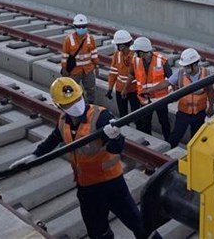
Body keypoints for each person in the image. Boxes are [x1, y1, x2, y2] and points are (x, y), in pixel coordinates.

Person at [9, 78, 158, 239]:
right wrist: (35, 156)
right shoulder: (63, 121)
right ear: (59, 105)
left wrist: (115, 137)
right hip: (86, 188)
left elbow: (116, 149)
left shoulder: (100, 116)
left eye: (77, 99)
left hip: (111, 184)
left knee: (139, 225)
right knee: (97, 231)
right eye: (69, 103)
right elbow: (53, 139)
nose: (75, 104)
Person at [142, 48, 214, 148]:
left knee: (196, 139)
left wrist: (211, 106)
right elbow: (167, 83)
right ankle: (168, 155)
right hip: (183, 114)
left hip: (199, 114)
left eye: (187, 66)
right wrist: (151, 89)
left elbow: (210, 91)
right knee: (175, 137)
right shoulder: (181, 73)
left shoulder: (206, 74)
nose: (185, 69)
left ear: (195, 64)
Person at [124, 37, 172, 140]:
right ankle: (148, 140)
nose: (135, 53)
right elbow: (132, 75)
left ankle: (168, 140)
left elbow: (171, 79)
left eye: (136, 51)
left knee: (164, 121)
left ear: (142, 52)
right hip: (144, 99)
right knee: (146, 122)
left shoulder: (161, 61)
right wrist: (125, 88)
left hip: (160, 99)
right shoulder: (136, 61)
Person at [61, 14, 98, 103]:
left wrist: (96, 66)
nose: (81, 28)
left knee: (91, 89)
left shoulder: (90, 39)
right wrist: (64, 69)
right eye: (79, 26)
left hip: (88, 70)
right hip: (74, 71)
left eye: (83, 26)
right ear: (75, 27)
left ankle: (90, 105)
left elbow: (94, 54)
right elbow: (64, 56)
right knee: (74, 90)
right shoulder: (68, 40)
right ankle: (78, 105)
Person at [106, 30, 135, 118]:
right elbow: (113, 73)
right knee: (123, 115)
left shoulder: (135, 55)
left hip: (134, 89)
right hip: (120, 89)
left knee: (137, 114)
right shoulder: (116, 55)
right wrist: (110, 88)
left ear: (122, 46)